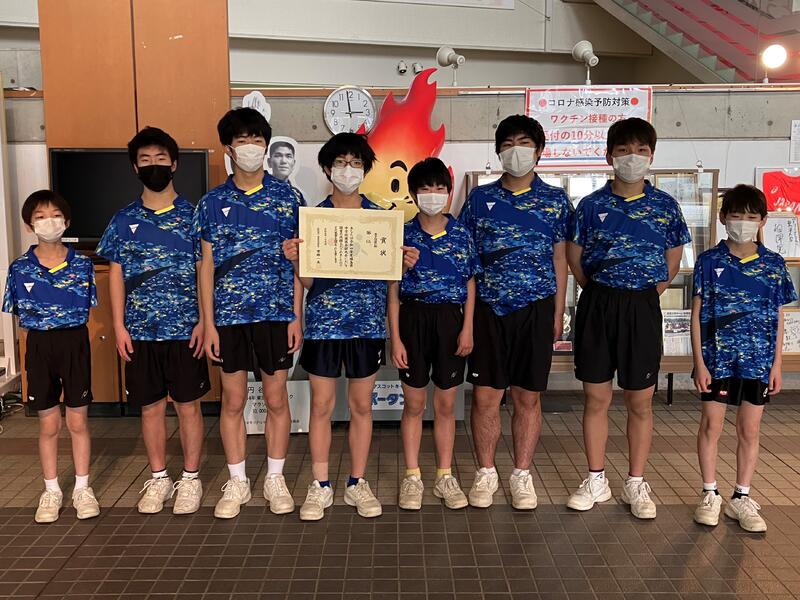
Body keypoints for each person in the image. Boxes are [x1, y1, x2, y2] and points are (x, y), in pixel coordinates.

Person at [283, 132, 418, 520]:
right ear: (327, 169)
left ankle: (357, 482)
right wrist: (296, 260)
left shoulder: (381, 218)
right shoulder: (313, 218)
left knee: (361, 406)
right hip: (323, 327)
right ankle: (320, 484)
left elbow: (391, 283)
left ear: (365, 170)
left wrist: (403, 264)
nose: (348, 170)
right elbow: (307, 281)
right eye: (340, 163)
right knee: (321, 406)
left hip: (368, 327)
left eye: (356, 163)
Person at [566, 117, 690, 519]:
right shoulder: (591, 205)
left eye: (640, 151)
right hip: (598, 304)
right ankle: (596, 478)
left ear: (651, 156)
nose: (631, 158)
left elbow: (673, 260)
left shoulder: (665, 207)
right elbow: (574, 258)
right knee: (596, 397)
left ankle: (636, 482)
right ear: (609, 156)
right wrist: (600, 291)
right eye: (623, 151)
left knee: (640, 400)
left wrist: (645, 293)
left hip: (642, 307)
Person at [194, 107, 305, 519]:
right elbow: (205, 266)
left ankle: (275, 478)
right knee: (233, 400)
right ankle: (237, 480)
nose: (251, 147)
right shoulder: (211, 203)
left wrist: (295, 315)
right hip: (228, 319)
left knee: (276, 398)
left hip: (276, 314)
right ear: (228, 148)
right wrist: (208, 323)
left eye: (257, 140)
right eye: (243, 140)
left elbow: (301, 260)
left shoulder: (289, 198)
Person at [459, 115, 572, 509]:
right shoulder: (479, 200)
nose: (515, 151)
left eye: (523, 143)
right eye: (507, 144)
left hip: (536, 309)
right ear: (498, 152)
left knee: (528, 397)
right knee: (485, 398)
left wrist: (557, 312)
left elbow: (561, 259)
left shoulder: (556, 200)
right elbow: (464, 258)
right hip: (489, 310)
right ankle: (486, 472)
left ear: (539, 151)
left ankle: (522, 474)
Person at [97, 127, 209, 516]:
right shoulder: (123, 219)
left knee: (189, 406)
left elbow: (205, 270)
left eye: (161, 158)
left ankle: (191, 479)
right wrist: (119, 326)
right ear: (135, 167)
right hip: (141, 331)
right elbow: (115, 274)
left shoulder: (194, 216)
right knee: (150, 408)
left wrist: (204, 320)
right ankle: (159, 477)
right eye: (145, 159)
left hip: (186, 330)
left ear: (174, 164)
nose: (154, 165)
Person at [691, 184, 796, 532]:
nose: (743, 222)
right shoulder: (708, 262)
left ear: (763, 220)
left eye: (751, 217)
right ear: (723, 218)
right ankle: (710, 493)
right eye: (736, 215)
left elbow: (779, 315)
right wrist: (699, 363)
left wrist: (777, 364)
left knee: (750, 429)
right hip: (717, 359)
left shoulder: (774, 265)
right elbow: (697, 314)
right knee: (712, 425)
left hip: (758, 361)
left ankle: (741, 496)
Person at [3, 190, 100, 523]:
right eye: (40, 217)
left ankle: (83, 488)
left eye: (55, 215)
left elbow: (89, 309)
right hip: (39, 347)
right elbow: (20, 322)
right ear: (29, 225)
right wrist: (29, 356)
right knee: (48, 423)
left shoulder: (83, 265)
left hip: (74, 343)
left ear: (66, 222)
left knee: (77, 421)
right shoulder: (19, 269)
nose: (49, 222)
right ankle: (51, 490)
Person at [389, 157, 480, 511]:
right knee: (413, 404)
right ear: (413, 194)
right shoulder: (401, 234)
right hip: (412, 319)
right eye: (425, 188)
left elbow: (470, 283)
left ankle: (444, 475)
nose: (432, 194)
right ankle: (412, 476)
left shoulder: (462, 234)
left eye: (439, 188)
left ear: (449, 192)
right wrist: (396, 339)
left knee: (445, 404)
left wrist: (467, 328)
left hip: (450, 320)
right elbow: (392, 291)